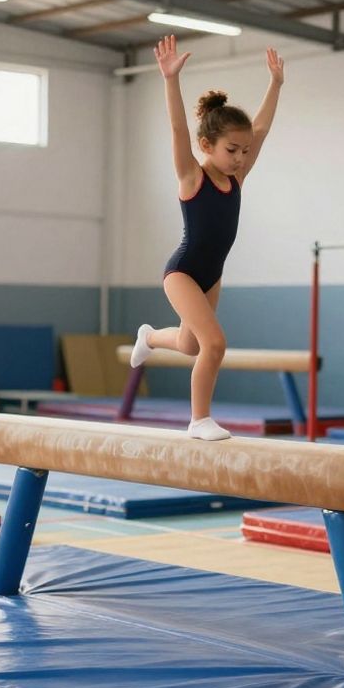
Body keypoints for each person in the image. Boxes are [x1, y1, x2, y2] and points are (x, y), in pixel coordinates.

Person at [127, 37, 285, 440]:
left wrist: (276, 84)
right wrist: (169, 79)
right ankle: (199, 420)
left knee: (190, 345)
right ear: (206, 146)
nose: (241, 158)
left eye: (245, 152)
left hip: (211, 275)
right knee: (214, 344)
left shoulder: (237, 179)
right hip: (182, 272)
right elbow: (178, 127)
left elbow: (262, 128)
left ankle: (148, 336)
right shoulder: (192, 177)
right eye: (233, 149)